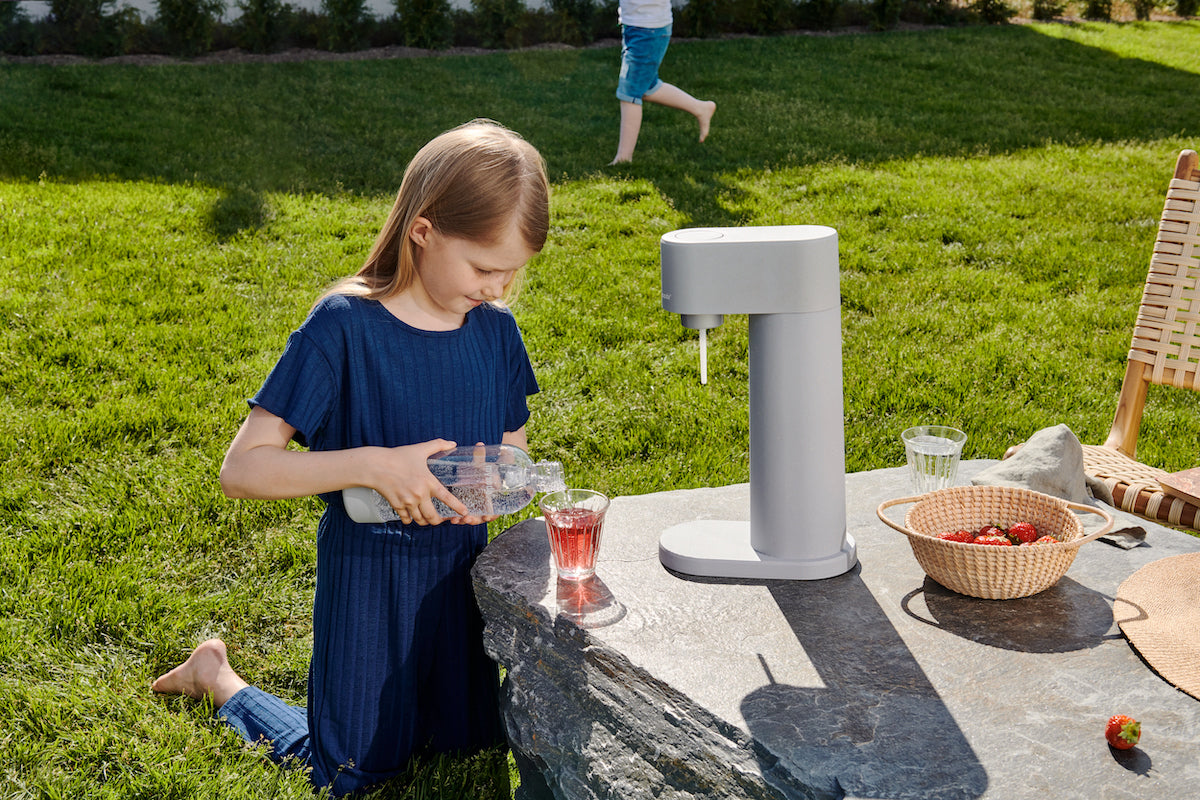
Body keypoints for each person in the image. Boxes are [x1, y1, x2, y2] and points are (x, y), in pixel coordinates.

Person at [151, 119, 551, 797]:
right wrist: (372, 464)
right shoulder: (343, 326)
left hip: (463, 578)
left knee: (470, 746)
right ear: (422, 231)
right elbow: (243, 469)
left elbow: (512, 447)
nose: (497, 286)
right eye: (485, 267)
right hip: (371, 580)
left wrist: (504, 475)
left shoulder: (496, 332)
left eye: (513, 271)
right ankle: (215, 676)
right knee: (351, 771)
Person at [610, 0, 716, 165]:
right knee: (647, 87)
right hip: (634, 25)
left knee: (630, 92)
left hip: (649, 29)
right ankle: (700, 108)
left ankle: (624, 159)